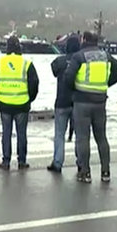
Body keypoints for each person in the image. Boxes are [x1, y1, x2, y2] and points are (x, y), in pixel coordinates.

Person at [64, 31, 117, 183]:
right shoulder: (105, 56)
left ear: (84, 40)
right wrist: (105, 83)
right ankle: (105, 172)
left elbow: (68, 77)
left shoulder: (79, 56)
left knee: (83, 138)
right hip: (100, 101)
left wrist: (74, 90)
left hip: (82, 101)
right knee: (101, 138)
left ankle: (85, 172)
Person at [0, 36, 39, 170]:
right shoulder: (26, 63)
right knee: (21, 134)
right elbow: (34, 83)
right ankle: (22, 161)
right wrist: (29, 98)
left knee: (6, 133)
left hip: (4, 103)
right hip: (22, 103)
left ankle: (6, 161)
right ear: (19, 47)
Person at [47, 35, 80, 174]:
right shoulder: (81, 61)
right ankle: (81, 163)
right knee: (80, 135)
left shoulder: (59, 61)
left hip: (61, 101)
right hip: (78, 101)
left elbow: (54, 70)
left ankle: (58, 162)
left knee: (59, 134)